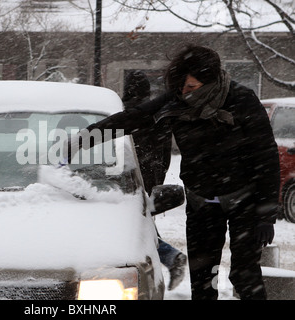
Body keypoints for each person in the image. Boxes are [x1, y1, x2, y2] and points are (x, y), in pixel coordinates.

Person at [68, 44, 280, 300]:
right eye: (181, 86)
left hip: (244, 201)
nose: (184, 92)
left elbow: (266, 156)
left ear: (210, 81)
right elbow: (132, 118)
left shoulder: (242, 100)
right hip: (201, 202)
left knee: (244, 274)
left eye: (191, 87)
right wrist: (83, 138)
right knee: (204, 277)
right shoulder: (176, 100)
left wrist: (266, 214)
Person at [122, 70, 187, 291]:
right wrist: (156, 177)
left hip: (125, 180)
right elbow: (164, 152)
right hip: (149, 178)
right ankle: (171, 257)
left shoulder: (126, 113)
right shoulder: (158, 114)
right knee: (142, 225)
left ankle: (170, 257)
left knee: (137, 229)